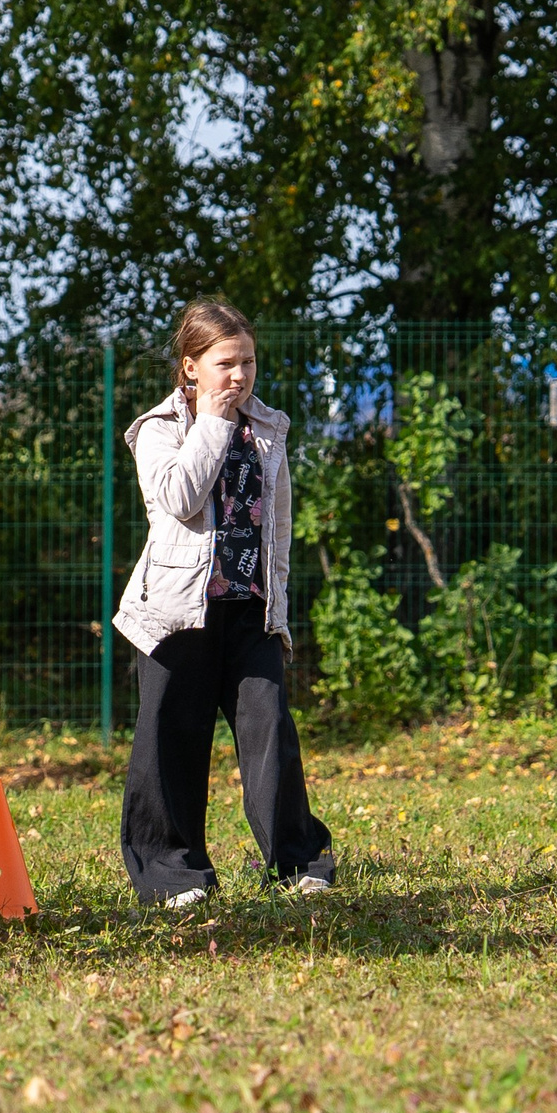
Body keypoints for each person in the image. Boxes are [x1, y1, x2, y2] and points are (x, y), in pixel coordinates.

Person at [111, 300, 336, 908]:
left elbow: (278, 530)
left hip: (249, 610)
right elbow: (180, 499)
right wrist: (210, 423)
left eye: (248, 362)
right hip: (175, 613)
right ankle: (170, 874)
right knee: (170, 741)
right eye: (225, 363)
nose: (239, 376)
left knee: (271, 734)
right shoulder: (157, 431)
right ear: (191, 368)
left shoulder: (268, 429)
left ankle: (299, 863)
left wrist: (279, 607)